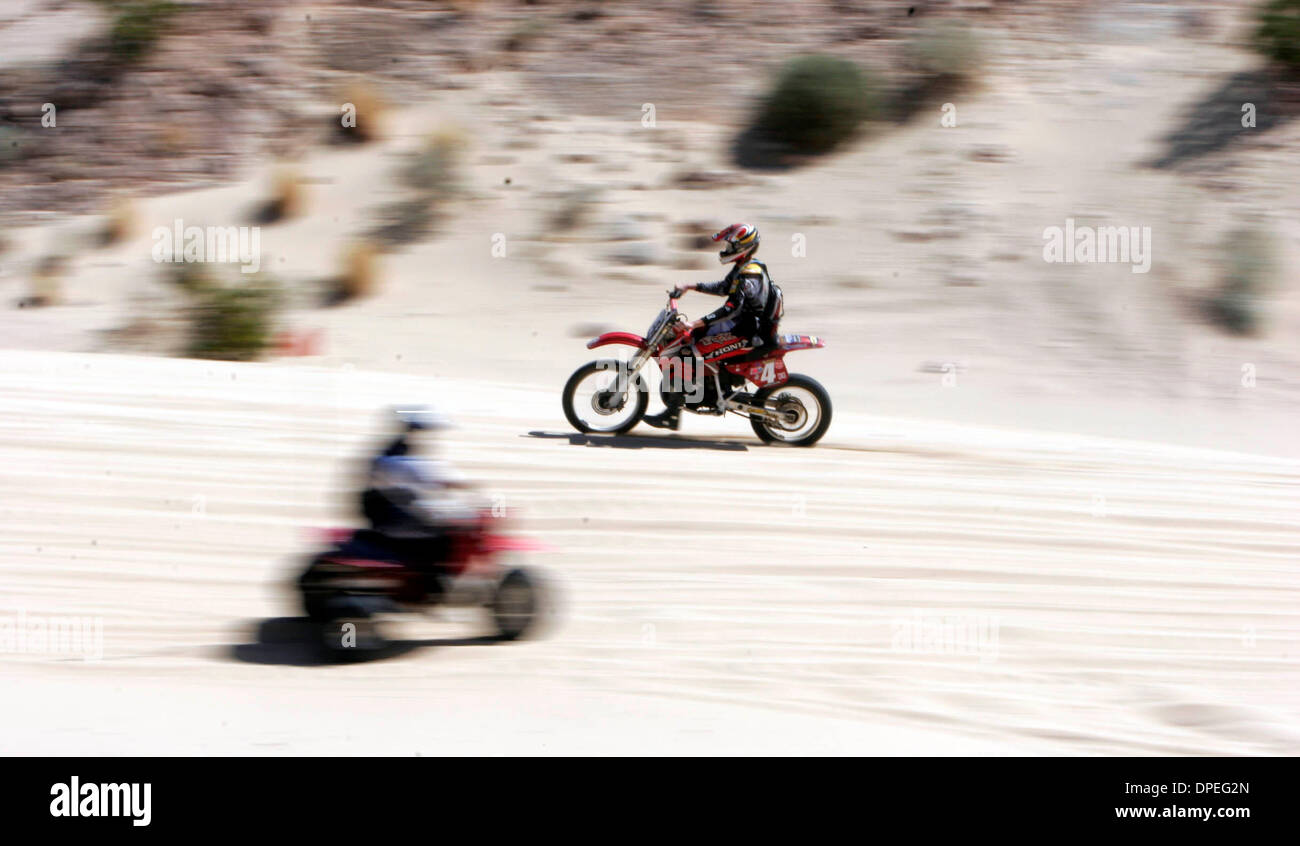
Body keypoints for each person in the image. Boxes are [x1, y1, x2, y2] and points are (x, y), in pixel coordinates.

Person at [643, 223, 781, 430]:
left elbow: (731, 308)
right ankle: (701, 389)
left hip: (745, 332)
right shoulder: (744, 267)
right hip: (739, 326)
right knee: (690, 340)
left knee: (689, 352)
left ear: (744, 246)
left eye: (731, 245)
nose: (727, 249)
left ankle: (672, 415)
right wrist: (691, 286)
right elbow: (724, 287)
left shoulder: (749, 273)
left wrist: (694, 323)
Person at [359, 406, 474, 586]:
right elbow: (424, 476)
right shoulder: (397, 458)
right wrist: (455, 483)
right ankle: (436, 581)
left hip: (386, 513)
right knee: (448, 531)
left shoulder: (392, 452)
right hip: (392, 517)